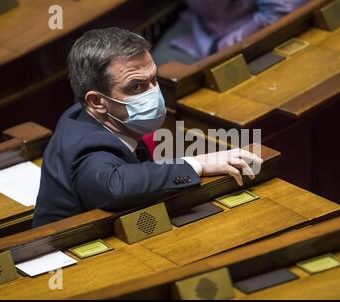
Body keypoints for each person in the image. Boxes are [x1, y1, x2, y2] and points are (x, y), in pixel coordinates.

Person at [33, 28, 262, 227]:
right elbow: (116, 186)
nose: (153, 92)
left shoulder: (84, 113)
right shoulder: (91, 149)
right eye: (136, 87)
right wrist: (198, 164)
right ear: (97, 101)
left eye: (153, 79)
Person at [152, 0, 308, 66]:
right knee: (155, 73)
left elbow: (280, 13)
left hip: (250, 32)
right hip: (198, 24)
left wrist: (221, 46)